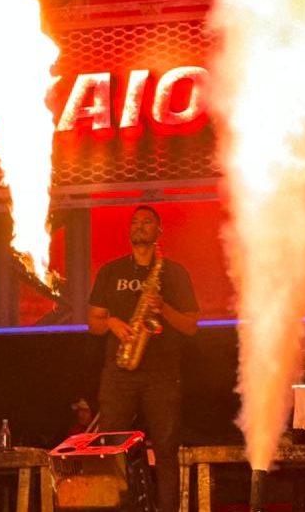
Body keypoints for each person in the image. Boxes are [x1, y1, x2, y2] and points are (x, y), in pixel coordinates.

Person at [87, 205, 199, 512]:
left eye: (147, 221)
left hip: (162, 375)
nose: (139, 225)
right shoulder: (111, 271)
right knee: (111, 449)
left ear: (159, 231)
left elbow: (191, 325)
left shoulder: (173, 273)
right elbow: (93, 322)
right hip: (120, 372)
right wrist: (112, 322)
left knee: (166, 451)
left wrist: (162, 307)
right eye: (134, 221)